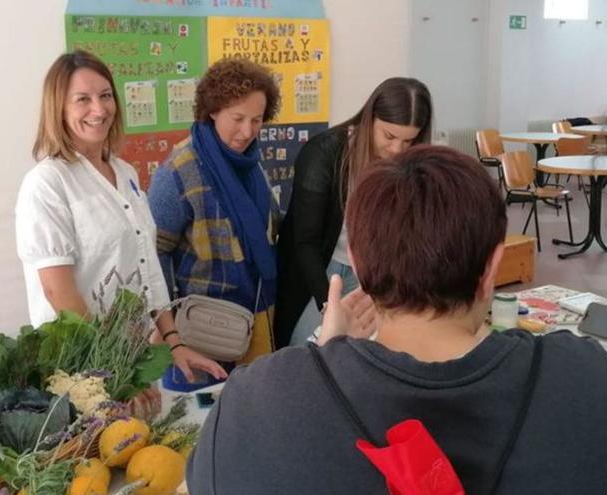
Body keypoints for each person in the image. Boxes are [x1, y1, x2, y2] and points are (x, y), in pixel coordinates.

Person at [187, 146, 607, 493]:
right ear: (492, 266)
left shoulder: (256, 402)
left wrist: (324, 358)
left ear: (358, 265)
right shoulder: (585, 379)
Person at [15, 51, 226, 414]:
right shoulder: (47, 182)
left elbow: (147, 267)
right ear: (58, 108)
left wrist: (173, 343)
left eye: (106, 95)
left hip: (134, 361)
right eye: (82, 99)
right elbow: (57, 291)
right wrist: (112, 373)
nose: (99, 109)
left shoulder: (125, 172)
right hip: (82, 373)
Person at [274, 77, 433, 348]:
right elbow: (305, 242)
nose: (397, 150)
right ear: (370, 118)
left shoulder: (409, 162)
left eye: (408, 141)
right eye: (389, 136)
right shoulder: (324, 153)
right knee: (308, 348)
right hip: (319, 269)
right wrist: (329, 305)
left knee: (366, 350)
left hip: (369, 269)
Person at [147, 58, 282, 365]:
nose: (247, 131)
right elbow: (156, 255)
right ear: (212, 111)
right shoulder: (179, 169)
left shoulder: (250, 163)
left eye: (257, 120)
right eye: (238, 118)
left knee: (252, 405)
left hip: (257, 313)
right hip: (204, 326)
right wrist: (169, 331)